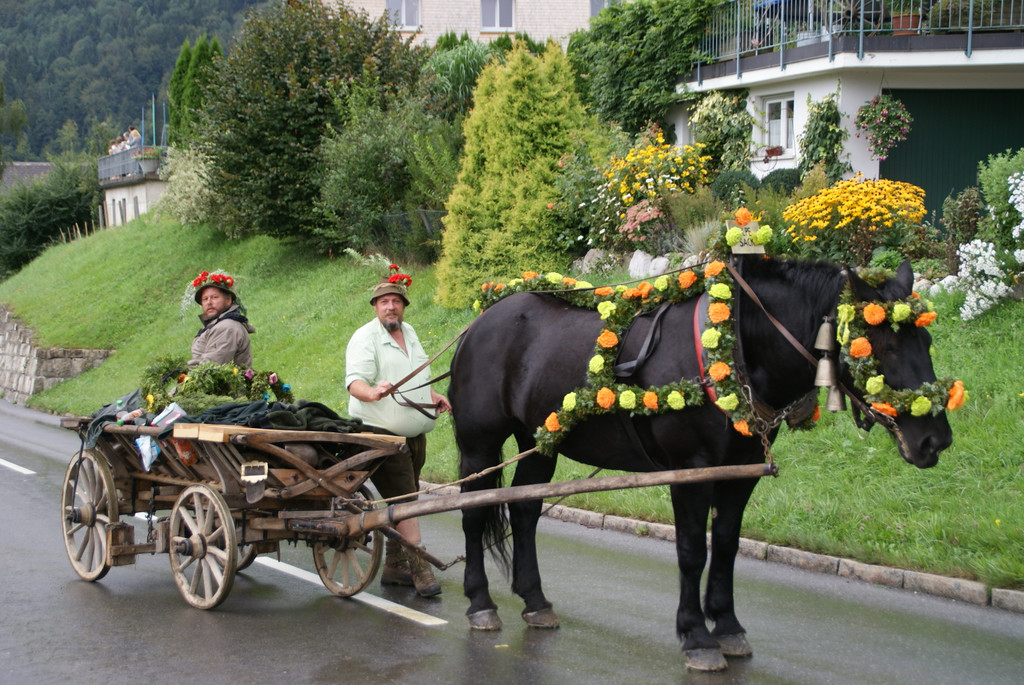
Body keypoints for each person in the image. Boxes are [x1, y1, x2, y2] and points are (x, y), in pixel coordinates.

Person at [345, 271, 450, 597]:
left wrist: (432, 396)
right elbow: (354, 382)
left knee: (406, 496)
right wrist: (373, 392)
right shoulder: (366, 337)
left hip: (414, 435)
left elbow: (416, 375)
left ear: (404, 306)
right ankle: (420, 568)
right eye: (384, 302)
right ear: (375, 306)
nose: (390, 307)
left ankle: (394, 566)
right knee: (405, 500)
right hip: (381, 435)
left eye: (396, 301)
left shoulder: (410, 332)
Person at [187, 270, 254, 367]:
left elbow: (211, 366)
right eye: (205, 299)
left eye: (214, 297)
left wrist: (179, 371)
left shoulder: (227, 327)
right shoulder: (216, 325)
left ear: (228, 300)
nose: (209, 302)